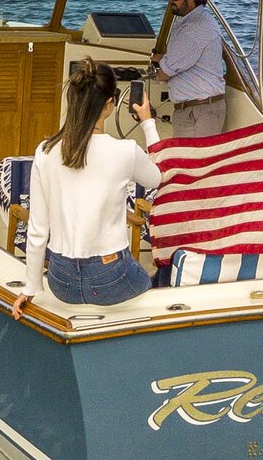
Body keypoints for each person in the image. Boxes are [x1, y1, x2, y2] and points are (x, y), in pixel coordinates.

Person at [12, 60, 159, 317]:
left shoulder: (45, 151)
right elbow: (157, 178)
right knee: (158, 288)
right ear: (111, 103)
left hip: (61, 279)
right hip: (111, 276)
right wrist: (147, 122)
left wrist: (31, 286)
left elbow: (37, 230)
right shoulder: (125, 151)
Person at [154, 0, 226, 140]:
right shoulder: (194, 22)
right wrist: (163, 59)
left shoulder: (194, 29)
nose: (170, 1)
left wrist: (159, 68)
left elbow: (165, 72)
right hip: (195, 109)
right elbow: (179, 58)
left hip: (199, 112)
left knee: (195, 163)